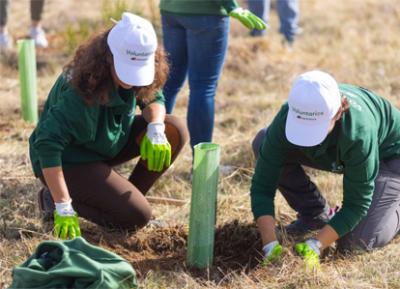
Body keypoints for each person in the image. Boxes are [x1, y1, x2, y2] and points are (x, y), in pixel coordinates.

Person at [29, 12, 188, 239]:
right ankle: (51, 198)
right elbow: (47, 144)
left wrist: (156, 129)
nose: (133, 80)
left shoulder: (138, 73)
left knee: (174, 129)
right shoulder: (80, 89)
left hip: (106, 143)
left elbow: (155, 98)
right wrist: (64, 204)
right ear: (108, 57)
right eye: (128, 70)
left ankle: (126, 202)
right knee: (138, 217)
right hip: (70, 160)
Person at [251, 70, 400, 269]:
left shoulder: (358, 132)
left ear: (338, 112)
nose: (307, 139)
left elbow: (356, 204)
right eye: (301, 128)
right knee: (263, 142)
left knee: (356, 243)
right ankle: (315, 214)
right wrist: (270, 245)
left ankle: (392, 205)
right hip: (343, 151)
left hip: (390, 158)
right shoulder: (287, 115)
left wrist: (316, 244)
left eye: (314, 129)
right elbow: (262, 186)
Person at [160, 0, 266, 149]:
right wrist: (231, 6)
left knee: (169, 83)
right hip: (206, 12)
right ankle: (202, 164)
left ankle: (152, 148)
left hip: (171, 10)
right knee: (202, 88)